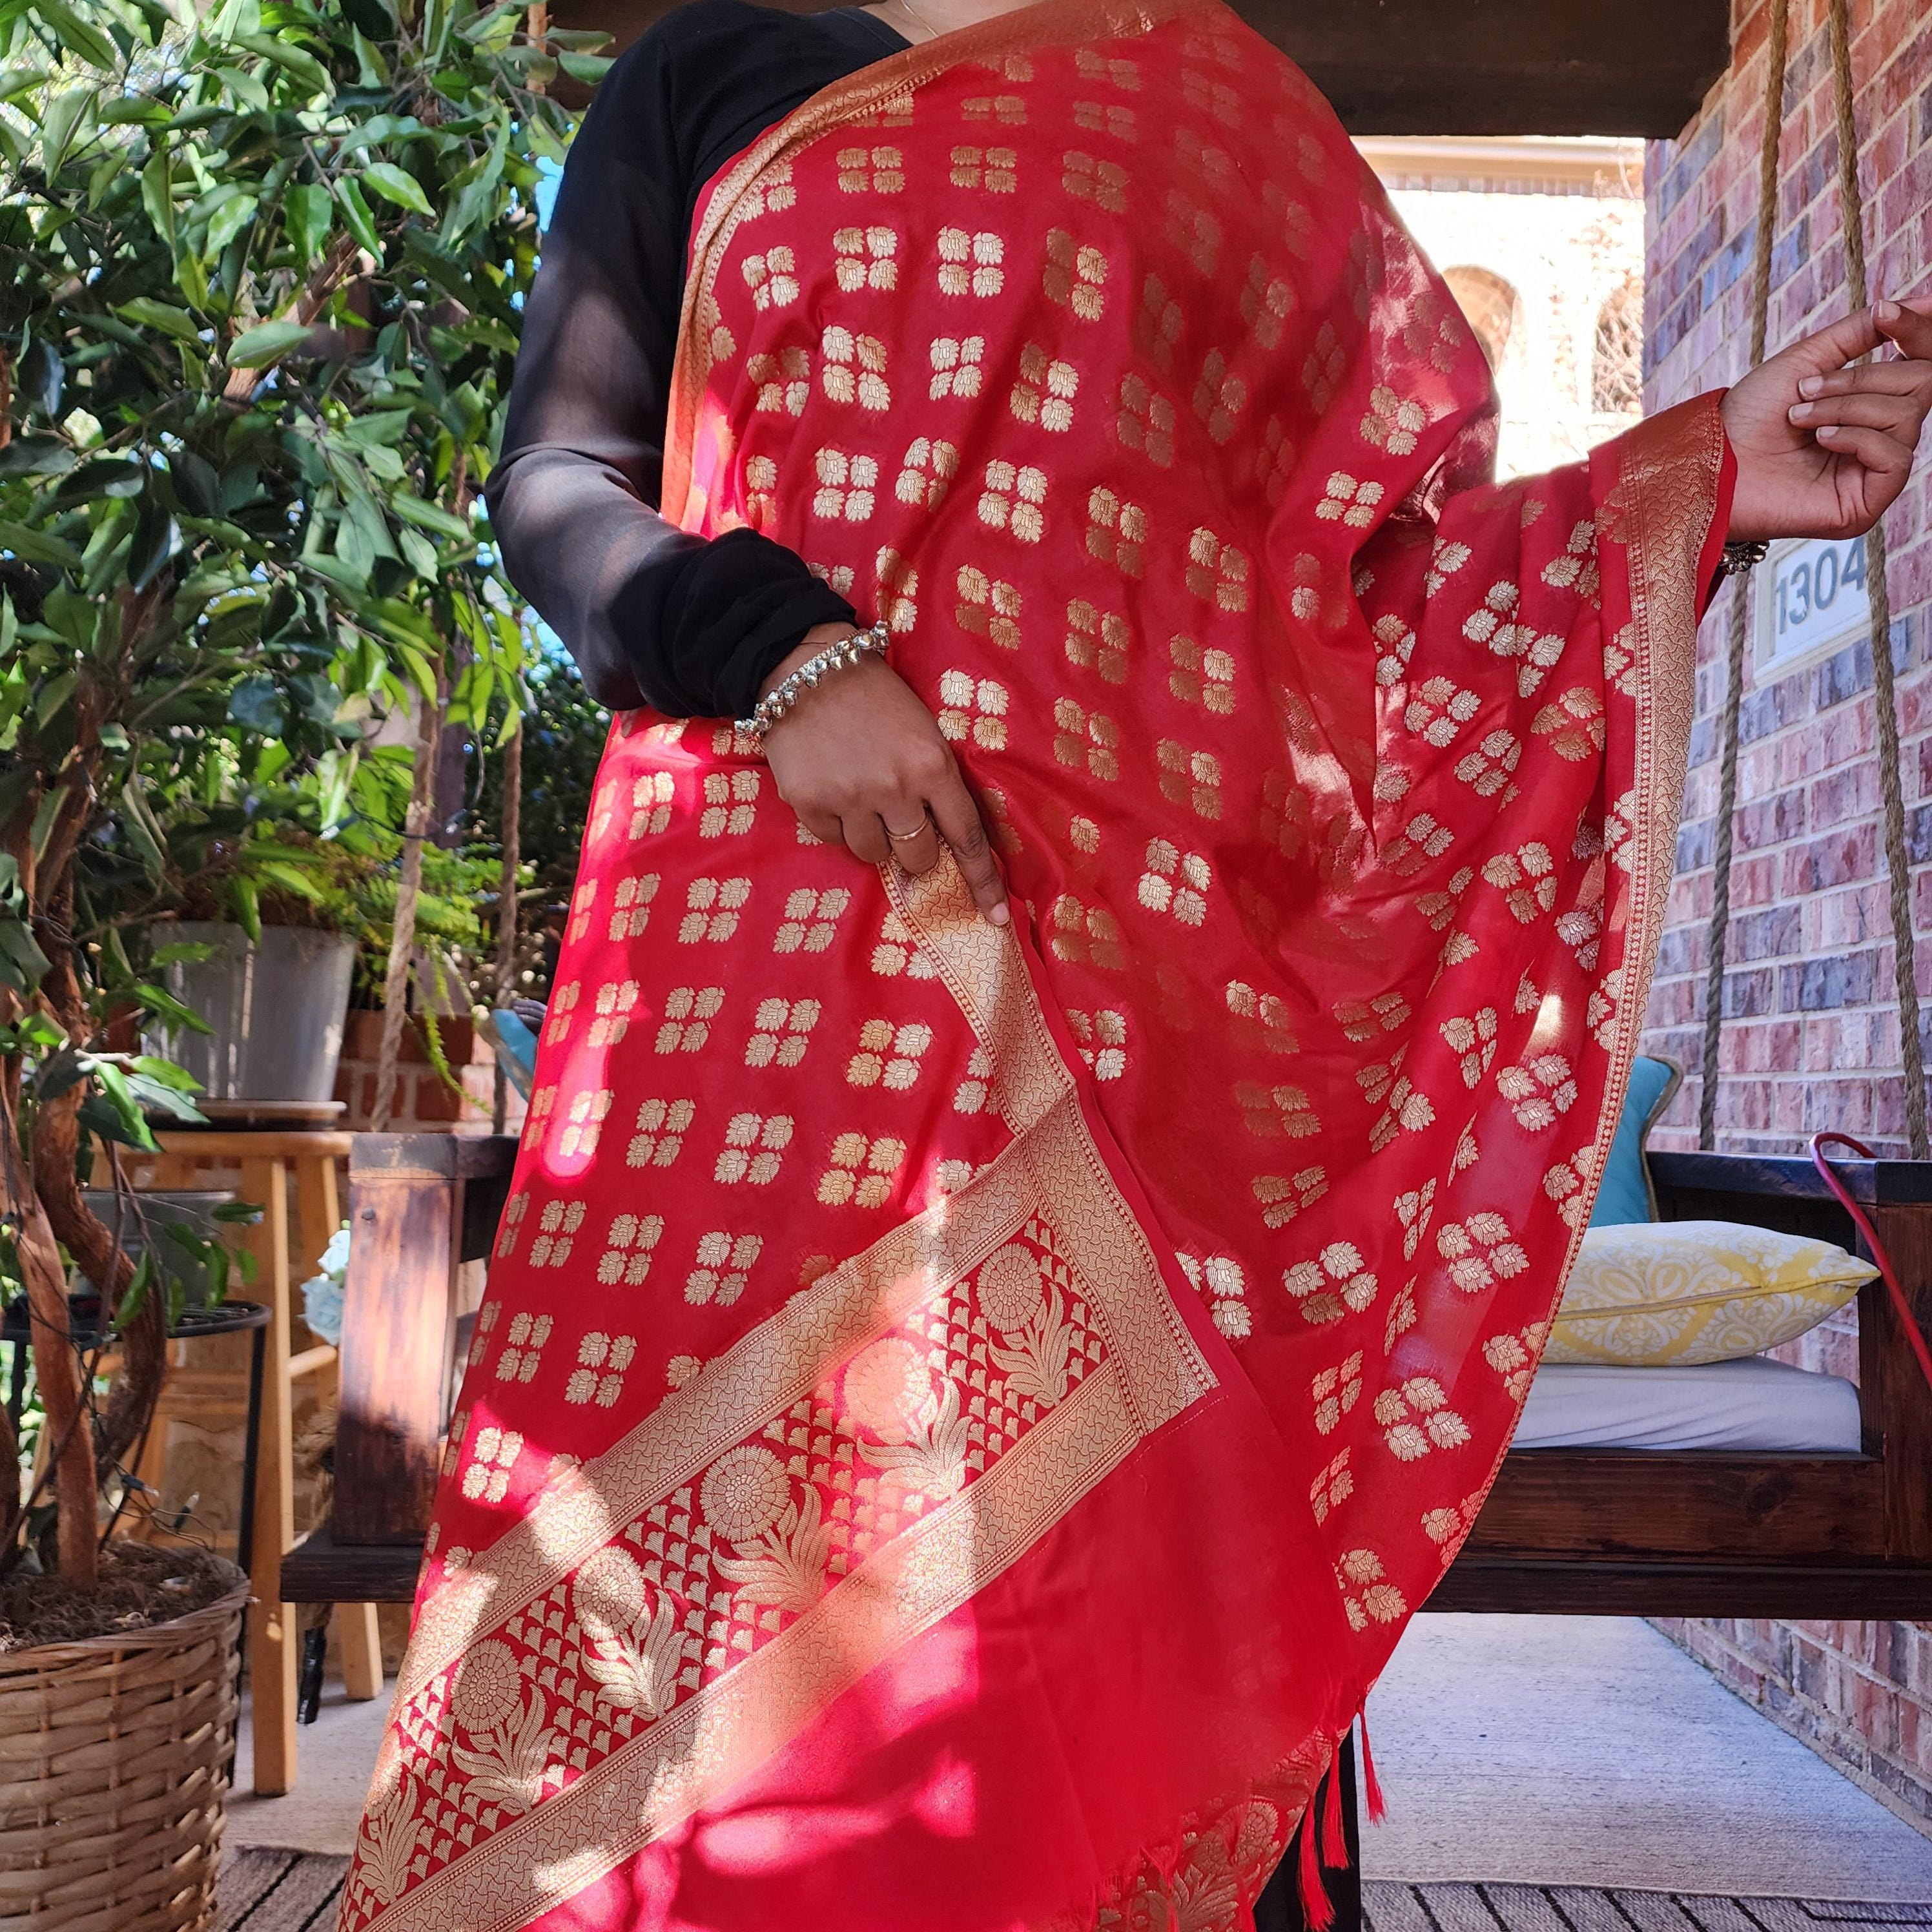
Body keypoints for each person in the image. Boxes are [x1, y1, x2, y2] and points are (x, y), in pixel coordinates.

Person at [340, 2, 1932, 1928]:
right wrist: (777, 646)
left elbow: (1378, 616)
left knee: (1085, 1690)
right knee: (673, 1739)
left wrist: (1696, 486)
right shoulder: (712, 69)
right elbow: (559, 487)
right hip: (752, 1009)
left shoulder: (1233, 112)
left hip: (1138, 1050)